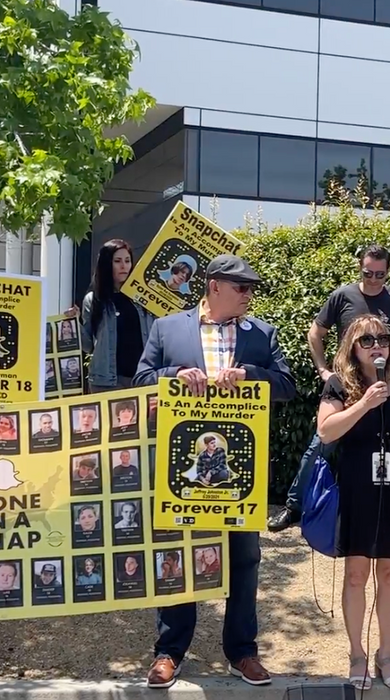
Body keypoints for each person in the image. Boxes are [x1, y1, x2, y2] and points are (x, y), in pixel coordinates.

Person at [135, 253, 296, 689]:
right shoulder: (167, 327)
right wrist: (175, 373)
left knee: (244, 558)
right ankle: (170, 651)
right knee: (179, 556)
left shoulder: (262, 333)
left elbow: (287, 385)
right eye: (241, 288)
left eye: (251, 289)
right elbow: (141, 380)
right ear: (214, 286)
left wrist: (249, 374)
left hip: (239, 470)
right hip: (180, 469)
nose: (248, 296)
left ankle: (242, 651)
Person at [270, 245, 390, 533]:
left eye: (380, 274)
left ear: (389, 271)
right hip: (347, 385)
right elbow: (315, 333)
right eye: (368, 273)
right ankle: (294, 507)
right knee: (321, 446)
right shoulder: (342, 296)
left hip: (383, 388)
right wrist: (324, 370)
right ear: (359, 267)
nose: (374, 279)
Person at [317, 315, 390, 690]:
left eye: (383, 339)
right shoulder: (337, 384)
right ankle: (356, 654)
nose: (377, 345)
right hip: (359, 486)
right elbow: (326, 431)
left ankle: (386, 655)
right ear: (352, 347)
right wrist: (363, 403)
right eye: (366, 340)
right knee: (356, 574)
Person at [81, 239, 155, 392]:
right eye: (117, 261)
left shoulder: (143, 297)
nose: (124, 266)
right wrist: (73, 324)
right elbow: (87, 346)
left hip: (143, 379)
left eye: (127, 261)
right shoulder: (94, 300)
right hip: (106, 382)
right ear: (107, 264)